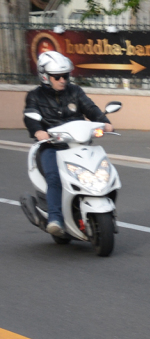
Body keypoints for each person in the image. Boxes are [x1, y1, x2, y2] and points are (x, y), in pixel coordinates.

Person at [23, 52, 112, 237]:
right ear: (45, 76)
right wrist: (38, 131)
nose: (63, 80)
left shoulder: (75, 91)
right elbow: (30, 115)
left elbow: (90, 107)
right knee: (54, 177)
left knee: (99, 169)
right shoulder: (35, 96)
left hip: (78, 144)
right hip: (51, 146)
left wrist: (104, 121)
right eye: (58, 77)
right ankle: (55, 218)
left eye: (65, 76)